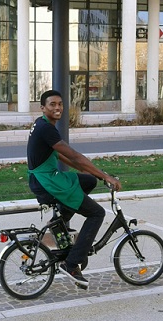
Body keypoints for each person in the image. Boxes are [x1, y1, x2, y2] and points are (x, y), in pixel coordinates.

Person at [27, 89, 122, 288]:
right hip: (47, 181)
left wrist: (91, 173)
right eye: (52, 104)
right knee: (96, 213)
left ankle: (59, 222)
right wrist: (105, 176)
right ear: (43, 107)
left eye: (60, 104)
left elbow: (56, 154)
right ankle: (71, 264)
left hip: (44, 177)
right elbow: (74, 155)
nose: (57, 107)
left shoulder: (41, 123)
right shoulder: (47, 128)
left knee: (88, 182)